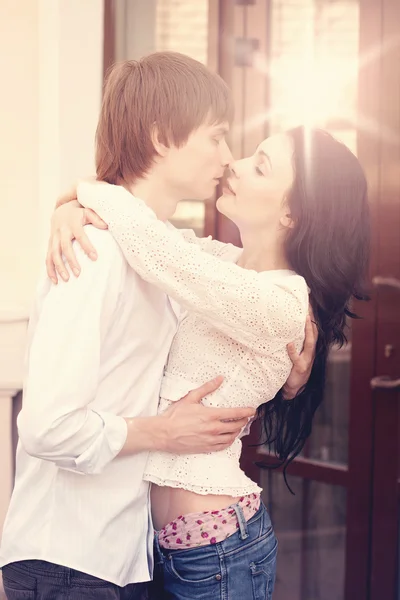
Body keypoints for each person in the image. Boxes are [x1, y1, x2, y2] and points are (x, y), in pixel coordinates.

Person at [44, 70, 370, 600]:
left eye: (259, 165)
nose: (233, 163)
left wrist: (81, 194)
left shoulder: (281, 304)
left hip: (220, 554)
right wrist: (68, 208)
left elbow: (153, 246)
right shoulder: (229, 265)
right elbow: (140, 229)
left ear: (292, 211)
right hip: (169, 549)